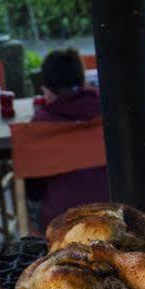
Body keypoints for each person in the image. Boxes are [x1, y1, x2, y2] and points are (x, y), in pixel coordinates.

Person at [27, 47, 109, 224]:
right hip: (114, 211)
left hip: (61, 222)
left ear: (47, 90)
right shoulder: (109, 110)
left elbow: (33, 190)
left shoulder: (41, 125)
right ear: (83, 80)